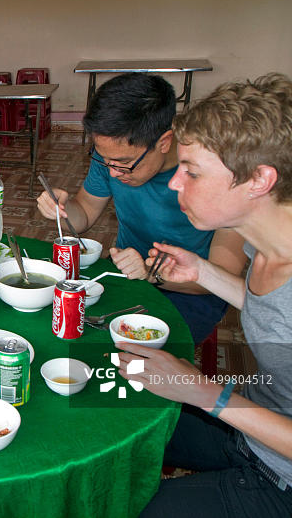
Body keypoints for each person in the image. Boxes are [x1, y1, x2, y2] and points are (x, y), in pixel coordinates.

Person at [114, 73, 292, 517]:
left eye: (191, 172)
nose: (175, 183)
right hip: (251, 431)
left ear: (258, 180)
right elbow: (277, 314)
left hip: (281, 480)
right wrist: (204, 273)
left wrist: (203, 391)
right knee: (113, 415)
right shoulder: (265, 245)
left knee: (127, 508)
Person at [36, 73, 246, 344]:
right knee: (62, 327)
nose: (112, 173)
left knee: (136, 353)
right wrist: (60, 209)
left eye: (123, 163)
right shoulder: (113, 156)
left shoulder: (219, 173)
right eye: (105, 160)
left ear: (165, 142)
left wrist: (151, 274)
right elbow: (85, 213)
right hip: (121, 274)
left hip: (191, 293)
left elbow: (223, 275)